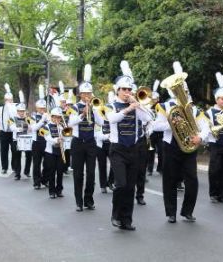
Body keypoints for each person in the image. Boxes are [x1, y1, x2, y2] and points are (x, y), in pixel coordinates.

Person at [153, 61, 209, 223]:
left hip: (190, 147)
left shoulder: (194, 109)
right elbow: (156, 126)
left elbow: (205, 126)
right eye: (179, 90)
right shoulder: (165, 106)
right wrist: (171, 123)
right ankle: (171, 212)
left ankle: (187, 211)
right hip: (171, 146)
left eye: (184, 89)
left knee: (192, 180)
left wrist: (201, 137)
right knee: (170, 180)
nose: (183, 92)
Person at [106, 73, 153, 231]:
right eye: (124, 89)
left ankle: (127, 220)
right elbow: (112, 119)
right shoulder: (111, 105)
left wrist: (137, 104)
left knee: (130, 186)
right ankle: (116, 215)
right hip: (117, 149)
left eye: (129, 89)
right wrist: (128, 109)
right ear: (117, 90)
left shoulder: (135, 105)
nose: (127, 92)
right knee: (121, 184)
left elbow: (148, 118)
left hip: (133, 149)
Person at [68, 64, 104, 212]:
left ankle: (89, 199)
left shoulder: (95, 106)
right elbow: (71, 123)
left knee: (90, 174)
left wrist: (94, 111)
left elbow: (101, 123)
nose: (88, 96)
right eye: (85, 93)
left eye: (90, 93)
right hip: (77, 142)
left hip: (90, 142)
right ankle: (79, 201)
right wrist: (83, 114)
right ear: (80, 95)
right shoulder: (74, 107)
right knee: (78, 174)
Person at [205, 72, 223, 203]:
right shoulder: (210, 112)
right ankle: (213, 193)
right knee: (215, 169)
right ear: (217, 100)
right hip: (215, 142)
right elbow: (207, 127)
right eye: (222, 99)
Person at [41, 107, 65, 199]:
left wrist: (63, 138)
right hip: (50, 152)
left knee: (60, 171)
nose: (57, 119)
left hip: (60, 151)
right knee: (52, 172)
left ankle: (59, 190)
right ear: (52, 117)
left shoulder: (61, 126)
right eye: (56, 117)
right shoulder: (46, 126)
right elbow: (46, 138)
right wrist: (56, 140)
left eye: (59, 117)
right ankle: (51, 191)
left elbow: (66, 137)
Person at [9, 91, 32, 180]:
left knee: (29, 156)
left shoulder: (28, 118)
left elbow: (31, 127)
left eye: (23, 111)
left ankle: (27, 171)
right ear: (17, 111)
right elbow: (12, 128)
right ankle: (17, 174)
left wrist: (28, 125)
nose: (21, 113)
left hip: (27, 139)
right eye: (20, 111)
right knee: (17, 157)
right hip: (16, 140)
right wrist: (20, 129)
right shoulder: (12, 118)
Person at [30, 84, 49, 189]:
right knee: (36, 163)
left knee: (47, 163)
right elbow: (33, 128)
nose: (42, 109)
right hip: (36, 142)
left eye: (44, 108)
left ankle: (44, 179)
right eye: (40, 108)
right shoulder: (33, 116)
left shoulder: (48, 116)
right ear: (37, 108)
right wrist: (42, 120)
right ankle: (36, 182)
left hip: (46, 142)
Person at [0, 83, 17, 174]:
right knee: (4, 150)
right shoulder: (0, 109)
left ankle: (14, 167)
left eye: (10, 100)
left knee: (14, 150)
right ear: (5, 100)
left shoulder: (15, 108)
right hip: (3, 132)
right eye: (7, 100)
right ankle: (4, 167)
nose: (9, 101)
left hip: (13, 132)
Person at [147, 80, 163, 175]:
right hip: (150, 132)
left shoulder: (162, 107)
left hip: (160, 132)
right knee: (150, 151)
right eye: (153, 99)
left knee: (161, 152)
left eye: (156, 99)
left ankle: (160, 169)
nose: (155, 100)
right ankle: (149, 169)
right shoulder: (148, 107)